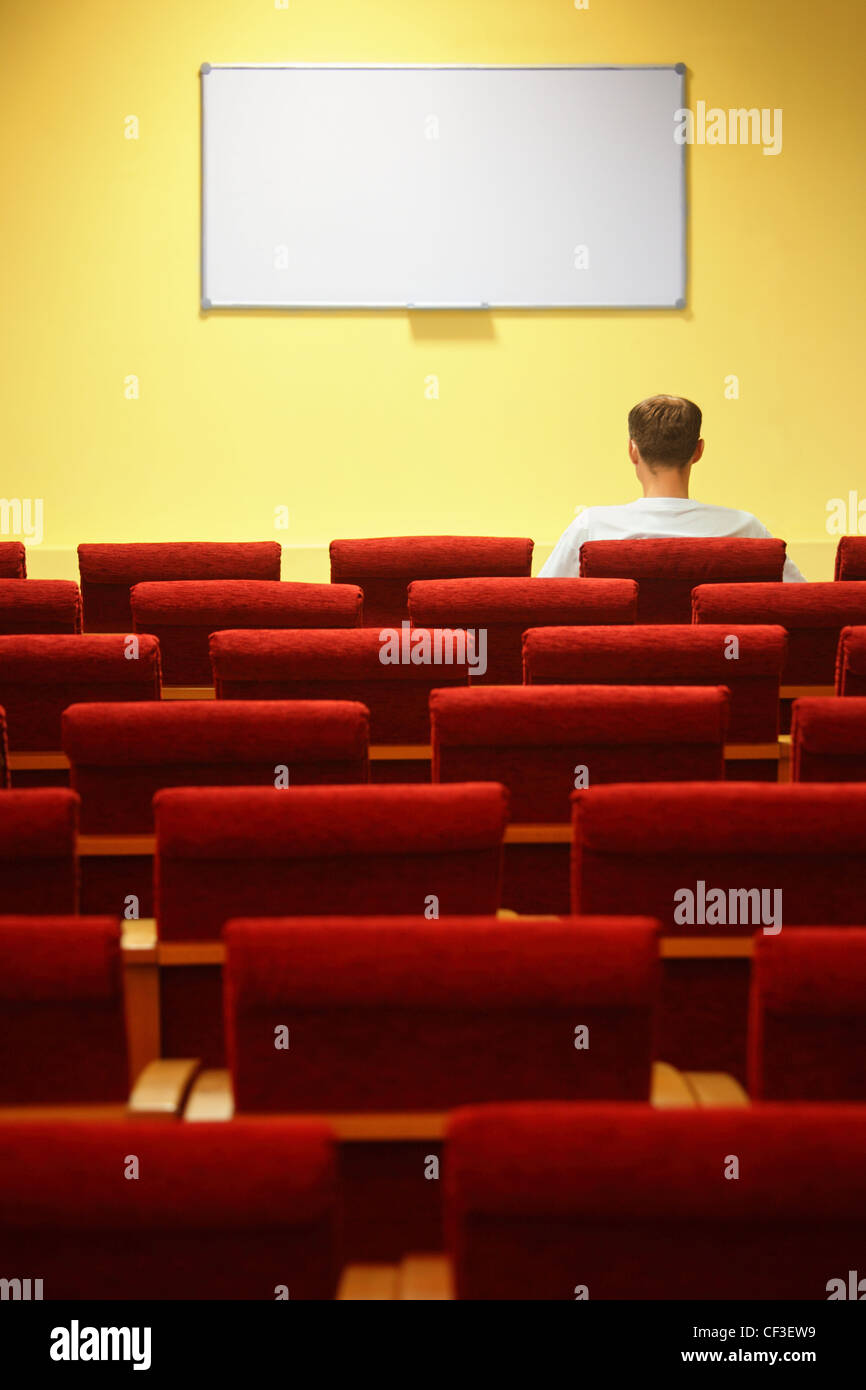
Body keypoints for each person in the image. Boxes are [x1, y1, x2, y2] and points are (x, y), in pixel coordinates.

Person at [539, 395, 806, 582]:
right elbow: (801, 604)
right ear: (698, 451)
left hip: (620, 661)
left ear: (633, 450)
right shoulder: (746, 529)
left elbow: (543, 604)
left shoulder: (592, 527)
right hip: (719, 660)